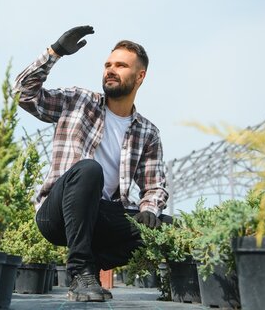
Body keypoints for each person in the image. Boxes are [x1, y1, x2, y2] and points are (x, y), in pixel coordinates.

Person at [13, 26, 169, 302]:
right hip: (56, 214)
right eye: (108, 64)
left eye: (121, 66)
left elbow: (155, 186)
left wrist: (149, 210)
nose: (111, 69)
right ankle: (81, 272)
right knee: (88, 169)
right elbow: (23, 94)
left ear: (140, 76)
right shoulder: (77, 101)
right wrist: (55, 52)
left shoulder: (147, 132)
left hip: (99, 218)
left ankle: (92, 262)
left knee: (166, 226)